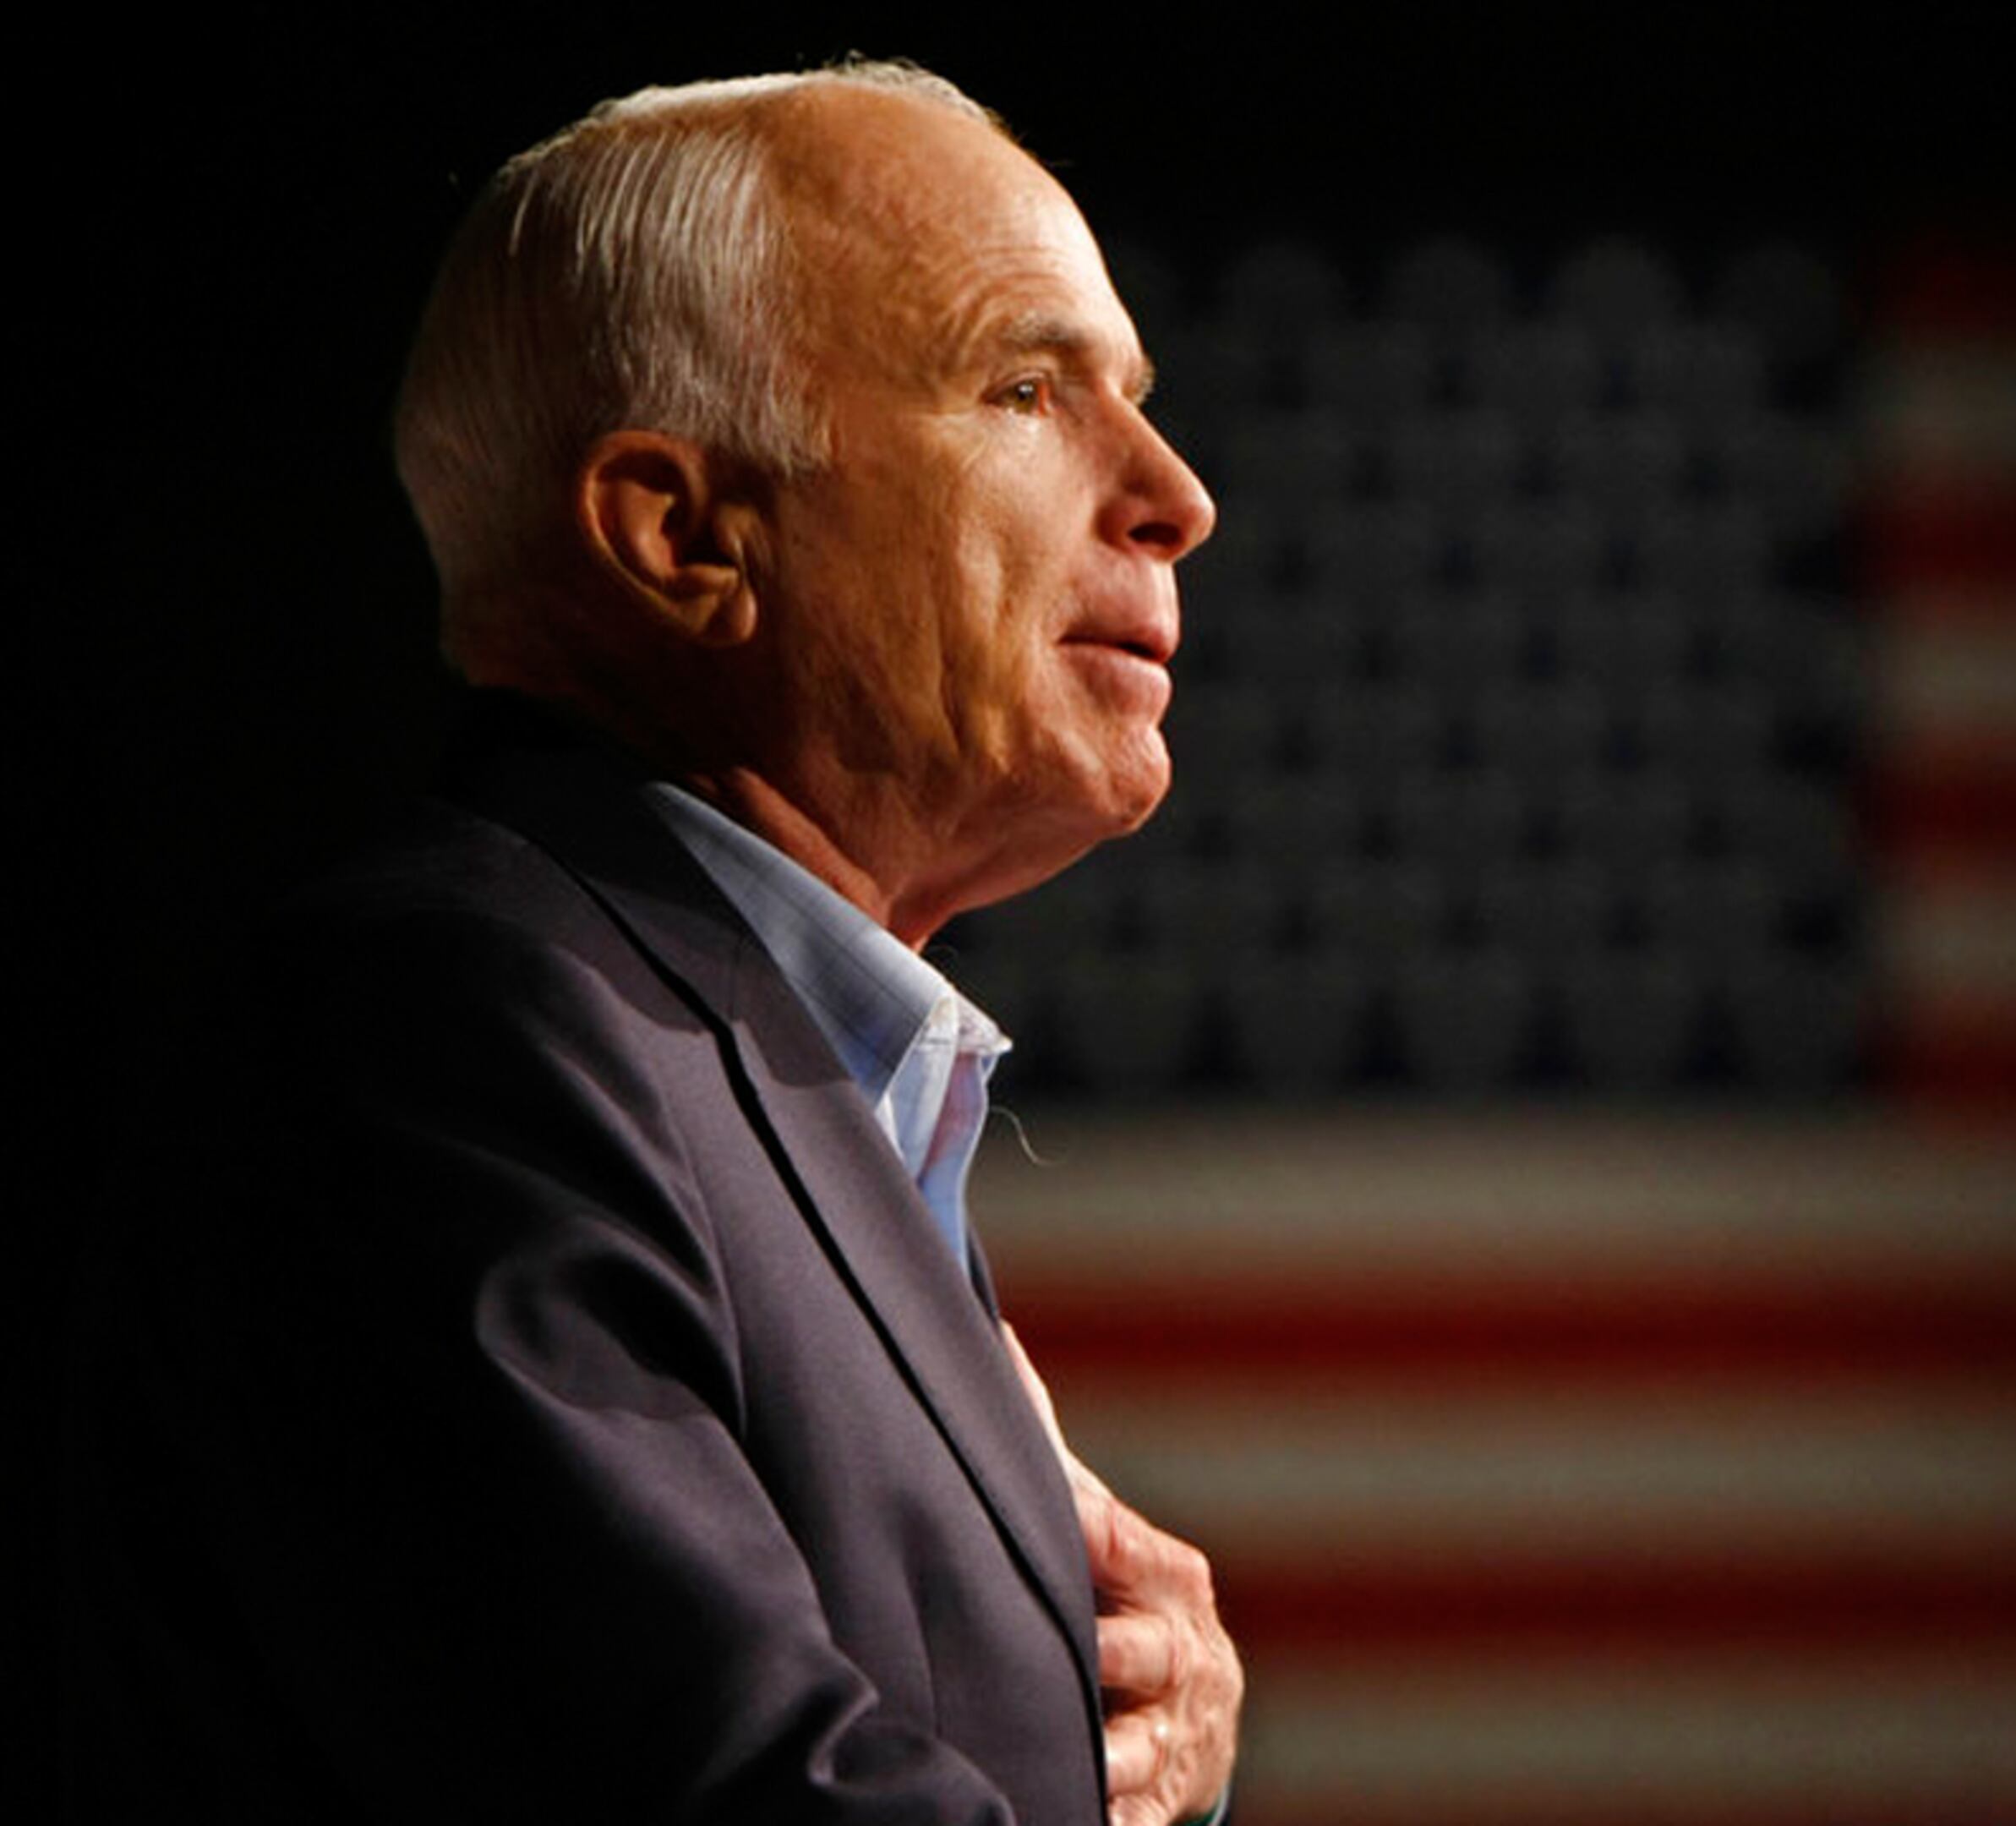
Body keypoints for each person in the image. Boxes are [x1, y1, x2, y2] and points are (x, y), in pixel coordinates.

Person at [60, 61, 1235, 1826]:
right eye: (1021, 387)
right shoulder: (456, 1030)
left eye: (1131, 401)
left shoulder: (777, 1054)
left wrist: (1142, 1745)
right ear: (685, 533)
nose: (1173, 494)